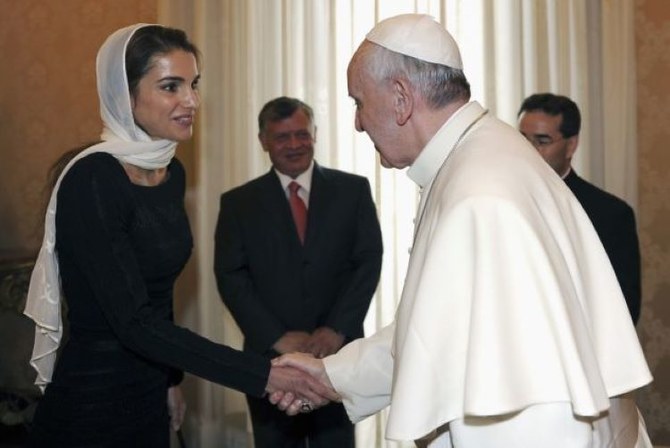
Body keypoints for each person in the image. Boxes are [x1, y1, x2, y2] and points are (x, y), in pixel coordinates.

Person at [272, 13, 653, 448]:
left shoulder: (481, 195)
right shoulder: (479, 156)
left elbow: (527, 403)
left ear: (400, 97)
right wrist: (331, 375)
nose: (358, 123)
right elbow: (436, 329)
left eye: (359, 102)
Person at [23, 24, 336, 447]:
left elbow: (159, 294)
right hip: (93, 403)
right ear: (126, 95)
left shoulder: (170, 173)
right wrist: (263, 375)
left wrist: (171, 381)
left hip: (150, 392)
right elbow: (134, 321)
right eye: (171, 86)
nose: (192, 101)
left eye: (193, 84)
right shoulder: (93, 179)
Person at [214, 96, 383, 447]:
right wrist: (275, 337)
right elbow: (230, 275)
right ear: (263, 140)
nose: (294, 145)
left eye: (301, 134)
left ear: (315, 134)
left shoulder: (353, 191)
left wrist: (337, 329)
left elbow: (367, 262)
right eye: (282, 137)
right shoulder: (238, 203)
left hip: (337, 357)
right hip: (269, 361)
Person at [517, 93, 642, 324]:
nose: (529, 150)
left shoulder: (610, 214)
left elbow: (624, 309)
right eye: (523, 139)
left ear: (571, 145)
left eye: (542, 141)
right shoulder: (500, 200)